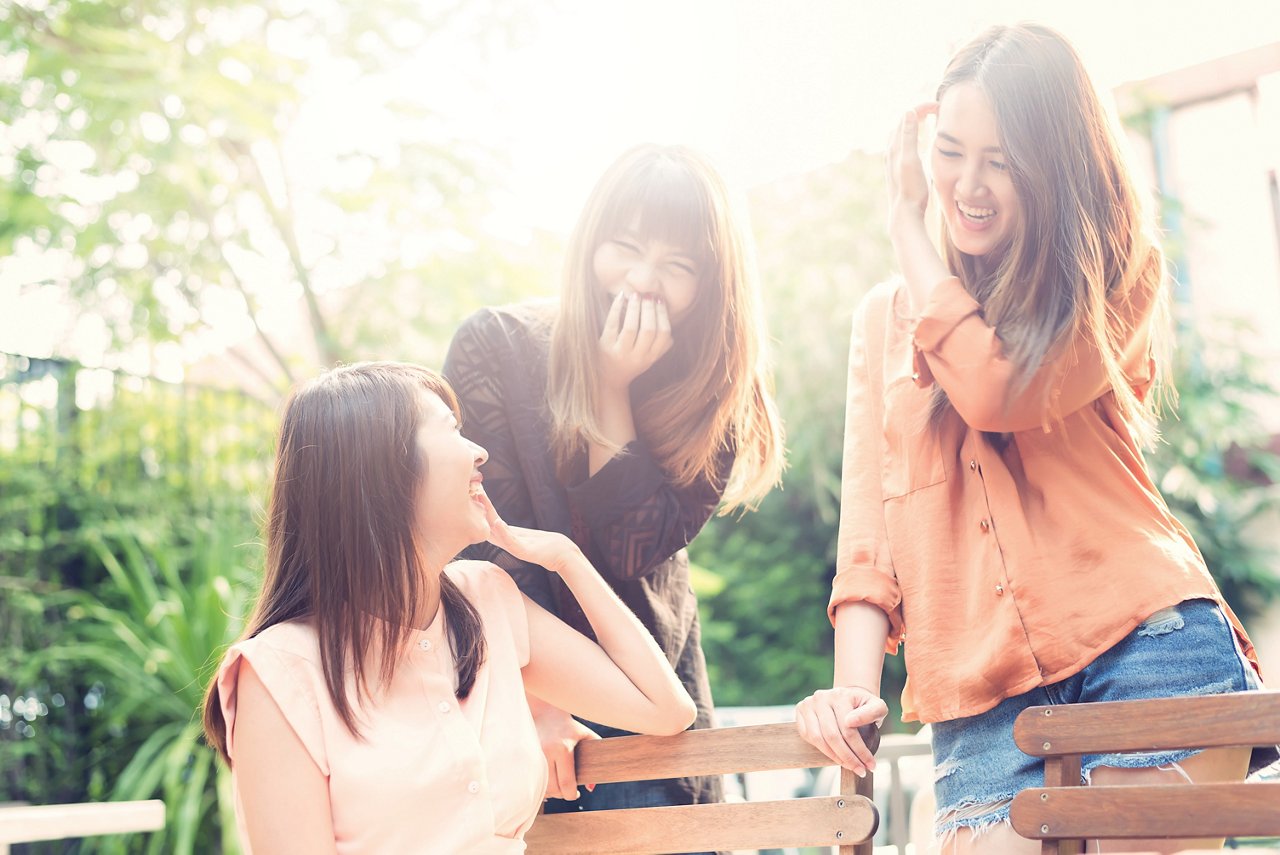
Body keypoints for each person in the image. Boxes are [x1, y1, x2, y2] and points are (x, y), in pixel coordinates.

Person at [795, 23, 1268, 855]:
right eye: (949, 151)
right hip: (978, 704)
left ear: (1052, 163)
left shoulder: (1110, 270)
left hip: (1146, 646)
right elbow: (867, 545)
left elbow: (993, 390)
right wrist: (849, 695)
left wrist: (907, 228)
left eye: (1001, 160)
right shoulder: (883, 320)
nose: (967, 186)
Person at [201, 362, 697, 854]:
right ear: (383, 472)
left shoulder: (490, 601)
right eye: (452, 431)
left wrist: (567, 558)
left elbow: (664, 709)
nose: (479, 452)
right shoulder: (279, 674)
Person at [443, 143, 785, 819]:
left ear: (710, 284)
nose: (642, 280)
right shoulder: (494, 346)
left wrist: (608, 390)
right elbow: (479, 544)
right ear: (590, 242)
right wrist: (537, 700)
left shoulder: (712, 391)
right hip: (514, 695)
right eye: (625, 247)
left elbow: (632, 551)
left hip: (648, 698)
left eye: (677, 265)